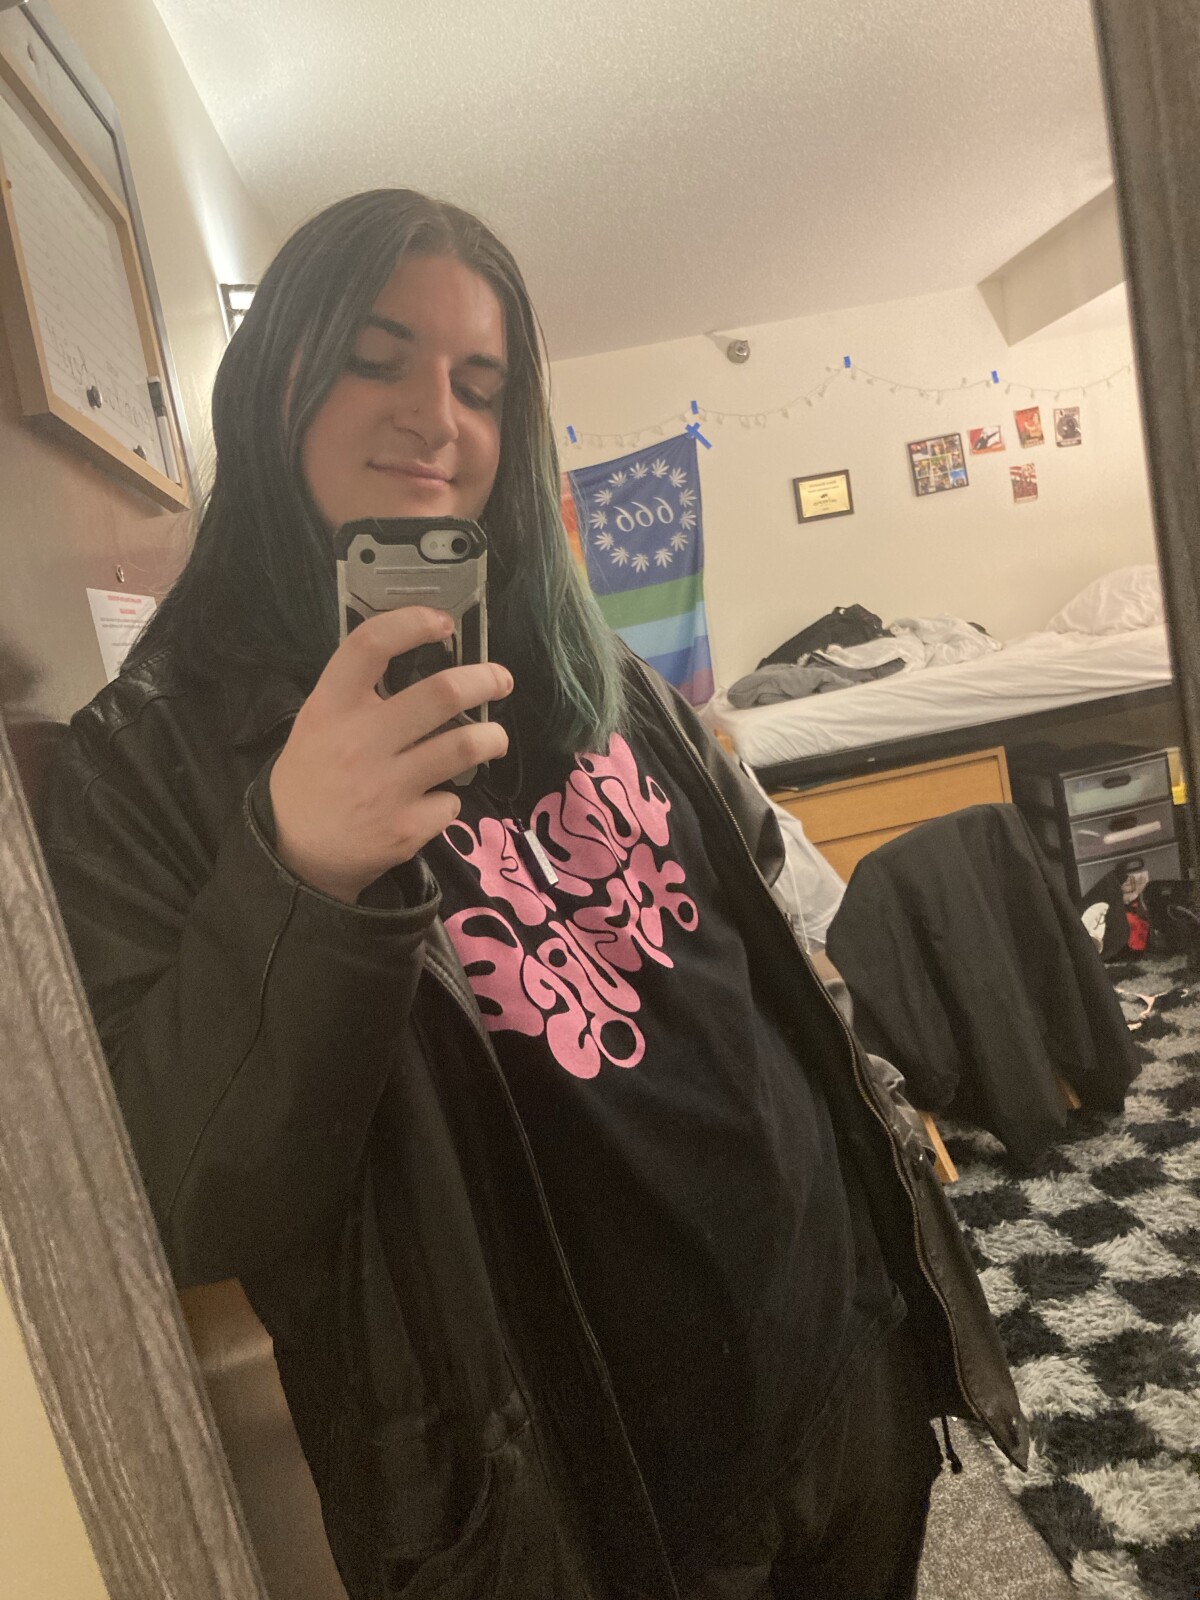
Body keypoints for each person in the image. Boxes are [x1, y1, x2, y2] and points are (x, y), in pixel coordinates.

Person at [40, 189, 1026, 1600]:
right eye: (375, 358)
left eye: (480, 384)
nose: (435, 416)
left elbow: (757, 939)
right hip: (589, 1503)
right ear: (269, 387)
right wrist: (300, 870)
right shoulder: (145, 765)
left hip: (839, 1350)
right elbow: (189, 1207)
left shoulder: (589, 665)